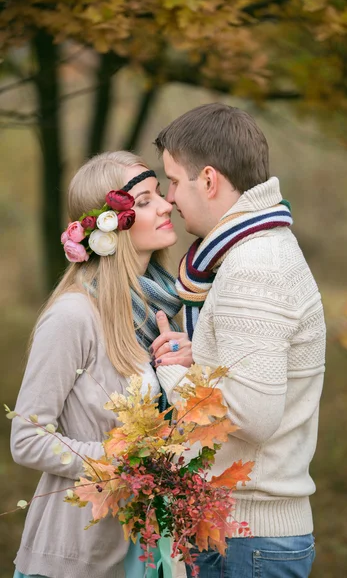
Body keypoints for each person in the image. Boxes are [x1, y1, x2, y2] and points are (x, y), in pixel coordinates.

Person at [151, 103, 326, 578]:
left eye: (172, 181)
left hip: (247, 540)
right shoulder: (256, 253)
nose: (168, 200)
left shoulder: (254, 269)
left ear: (208, 180)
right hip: (246, 537)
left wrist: (173, 371)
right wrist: (203, 360)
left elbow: (251, 414)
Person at [10, 151, 188, 578]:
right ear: (109, 226)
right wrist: (117, 458)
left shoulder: (163, 308)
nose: (167, 206)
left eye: (160, 195)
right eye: (144, 201)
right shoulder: (74, 316)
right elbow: (27, 438)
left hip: (151, 547)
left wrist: (191, 363)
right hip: (80, 552)